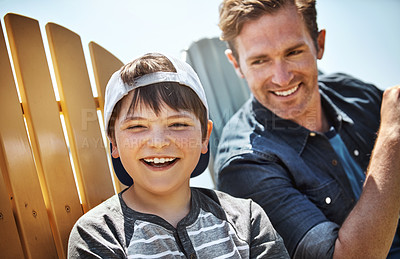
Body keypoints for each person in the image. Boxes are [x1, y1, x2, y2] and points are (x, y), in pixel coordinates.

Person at [214, 0, 400, 258]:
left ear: (319, 43)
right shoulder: (244, 163)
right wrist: (391, 137)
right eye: (260, 61)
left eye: (293, 52)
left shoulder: (357, 94)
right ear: (236, 64)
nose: (282, 78)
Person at [67, 52, 289, 258]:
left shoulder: (246, 219)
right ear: (113, 143)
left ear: (205, 136)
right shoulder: (99, 234)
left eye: (178, 124)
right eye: (136, 126)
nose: (159, 142)